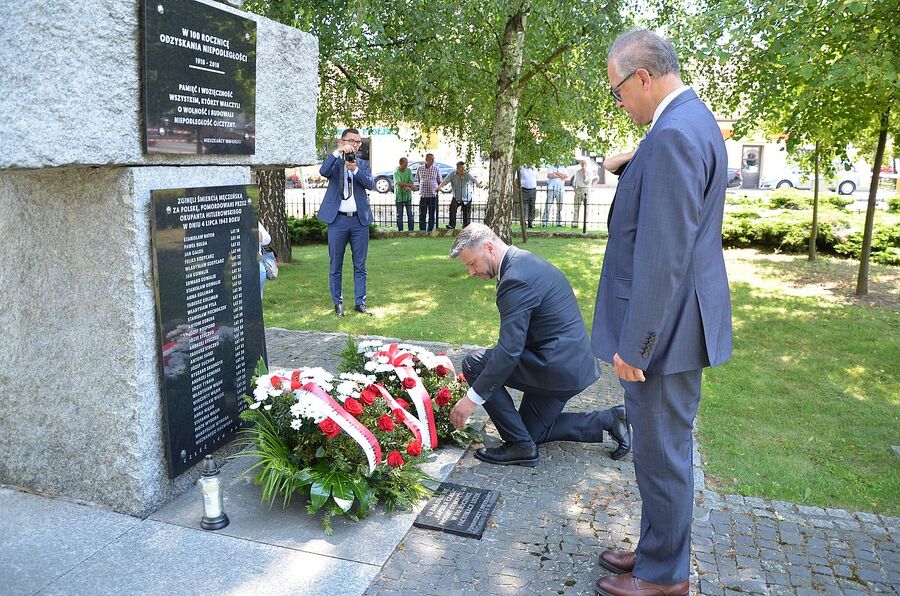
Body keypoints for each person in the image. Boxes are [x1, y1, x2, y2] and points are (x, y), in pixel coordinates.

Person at [591, 30, 732, 596]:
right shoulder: (687, 121)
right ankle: (656, 550)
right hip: (680, 321)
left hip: (665, 331)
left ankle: (665, 577)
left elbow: (663, 253)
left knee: (663, 456)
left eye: (618, 91)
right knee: (657, 451)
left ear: (643, 77)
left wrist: (636, 345)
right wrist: (633, 159)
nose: (619, 101)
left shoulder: (673, 133)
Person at [448, 223, 631, 467]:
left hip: (556, 368)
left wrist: (472, 399)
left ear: (489, 247)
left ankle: (520, 448)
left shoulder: (515, 279)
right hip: (571, 365)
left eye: (472, 263)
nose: (471, 272)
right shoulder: (524, 262)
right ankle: (609, 419)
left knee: (474, 363)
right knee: (526, 432)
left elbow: (509, 351)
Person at [317, 127, 375, 317]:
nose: (356, 145)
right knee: (336, 265)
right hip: (338, 221)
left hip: (359, 221)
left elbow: (370, 184)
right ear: (342, 142)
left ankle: (360, 303)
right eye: (352, 141)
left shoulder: (362, 164)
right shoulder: (334, 162)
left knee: (360, 266)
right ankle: (338, 303)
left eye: (358, 142)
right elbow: (323, 171)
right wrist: (337, 153)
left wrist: (355, 169)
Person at [440, 161, 476, 229]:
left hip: (467, 197)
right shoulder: (452, 174)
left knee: (466, 212)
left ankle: (466, 226)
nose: (463, 170)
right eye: (461, 168)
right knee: (452, 209)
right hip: (456, 196)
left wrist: (478, 183)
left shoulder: (467, 174)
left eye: (463, 168)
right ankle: (452, 225)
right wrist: (439, 187)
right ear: (457, 168)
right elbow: (445, 181)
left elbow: (473, 179)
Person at [416, 154, 442, 232]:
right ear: (426, 160)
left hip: (433, 195)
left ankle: (430, 230)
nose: (433, 161)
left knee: (432, 214)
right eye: (431, 159)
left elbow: (439, 181)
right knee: (422, 214)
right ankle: (422, 230)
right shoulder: (420, 168)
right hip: (423, 195)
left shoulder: (436, 169)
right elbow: (418, 179)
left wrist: (437, 188)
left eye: (433, 159)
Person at [571, 159, 596, 227]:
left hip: (586, 189)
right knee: (576, 207)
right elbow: (574, 181)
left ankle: (586, 223)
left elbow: (587, 182)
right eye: (582, 163)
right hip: (578, 189)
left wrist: (584, 174)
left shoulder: (589, 172)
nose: (583, 165)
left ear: (587, 164)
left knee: (586, 207)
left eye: (585, 164)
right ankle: (575, 223)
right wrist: (575, 188)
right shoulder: (577, 172)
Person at [393, 157, 415, 232]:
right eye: (405, 163)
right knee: (399, 215)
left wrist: (408, 186)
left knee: (410, 214)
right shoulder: (396, 172)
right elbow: (399, 183)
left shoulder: (409, 170)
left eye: (407, 163)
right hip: (399, 196)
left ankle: (411, 230)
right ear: (400, 164)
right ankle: (400, 231)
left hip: (407, 196)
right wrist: (409, 185)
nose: (406, 165)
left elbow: (411, 181)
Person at [258, 221, 271, 300]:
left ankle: (257, 299)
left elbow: (267, 239)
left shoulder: (251, 220)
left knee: (261, 271)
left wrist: (259, 236)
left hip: (253, 258)